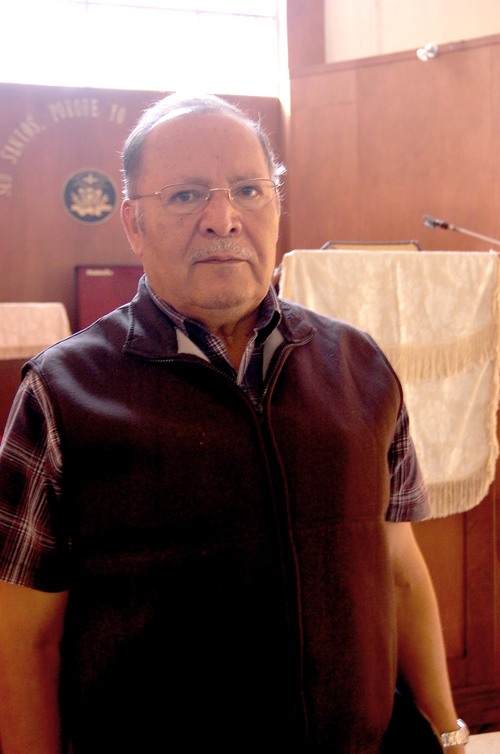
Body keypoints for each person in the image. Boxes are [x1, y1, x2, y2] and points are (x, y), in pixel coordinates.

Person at [0, 93, 467, 753]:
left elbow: (398, 570)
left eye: (248, 190)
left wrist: (446, 731)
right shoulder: (65, 392)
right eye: (186, 195)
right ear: (134, 223)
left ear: (275, 206)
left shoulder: (359, 366)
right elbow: (25, 638)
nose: (223, 219)